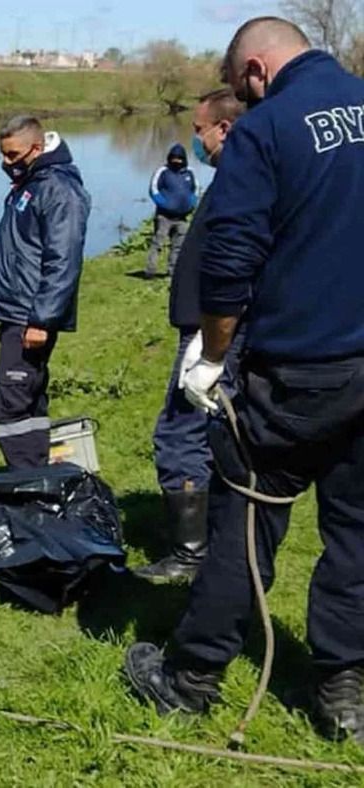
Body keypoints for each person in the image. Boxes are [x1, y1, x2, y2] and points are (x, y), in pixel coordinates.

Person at [125, 18, 364, 744]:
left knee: (247, 525)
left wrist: (211, 356)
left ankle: (190, 678)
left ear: (257, 71)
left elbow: (228, 262)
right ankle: (346, 691)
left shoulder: (267, 130)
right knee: (357, 532)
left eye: (239, 88)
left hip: (294, 372)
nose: (241, 100)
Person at [137, 89, 247, 583]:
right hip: (204, 325)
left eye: (200, 129)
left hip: (210, 332)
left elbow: (234, 264)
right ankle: (218, 542)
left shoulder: (243, 181)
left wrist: (212, 341)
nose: (195, 139)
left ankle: (190, 554)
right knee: (208, 430)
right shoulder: (234, 178)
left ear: (223, 129)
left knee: (180, 433)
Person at [0, 116, 91, 470]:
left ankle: (27, 482)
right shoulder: (33, 181)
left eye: (13, 155)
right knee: (29, 398)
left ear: (36, 148)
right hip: (17, 311)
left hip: (31, 315)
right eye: (3, 155)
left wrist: (42, 319)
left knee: (10, 402)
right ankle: (39, 473)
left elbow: (63, 259)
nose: (6, 163)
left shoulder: (59, 189)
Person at [145, 143, 199, 277]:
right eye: (174, 158)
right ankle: (150, 271)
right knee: (157, 243)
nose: (176, 161)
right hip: (164, 217)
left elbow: (195, 190)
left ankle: (172, 272)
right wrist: (164, 204)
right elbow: (153, 189)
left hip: (182, 218)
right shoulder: (162, 171)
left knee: (178, 246)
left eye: (179, 158)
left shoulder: (190, 173)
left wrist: (191, 204)